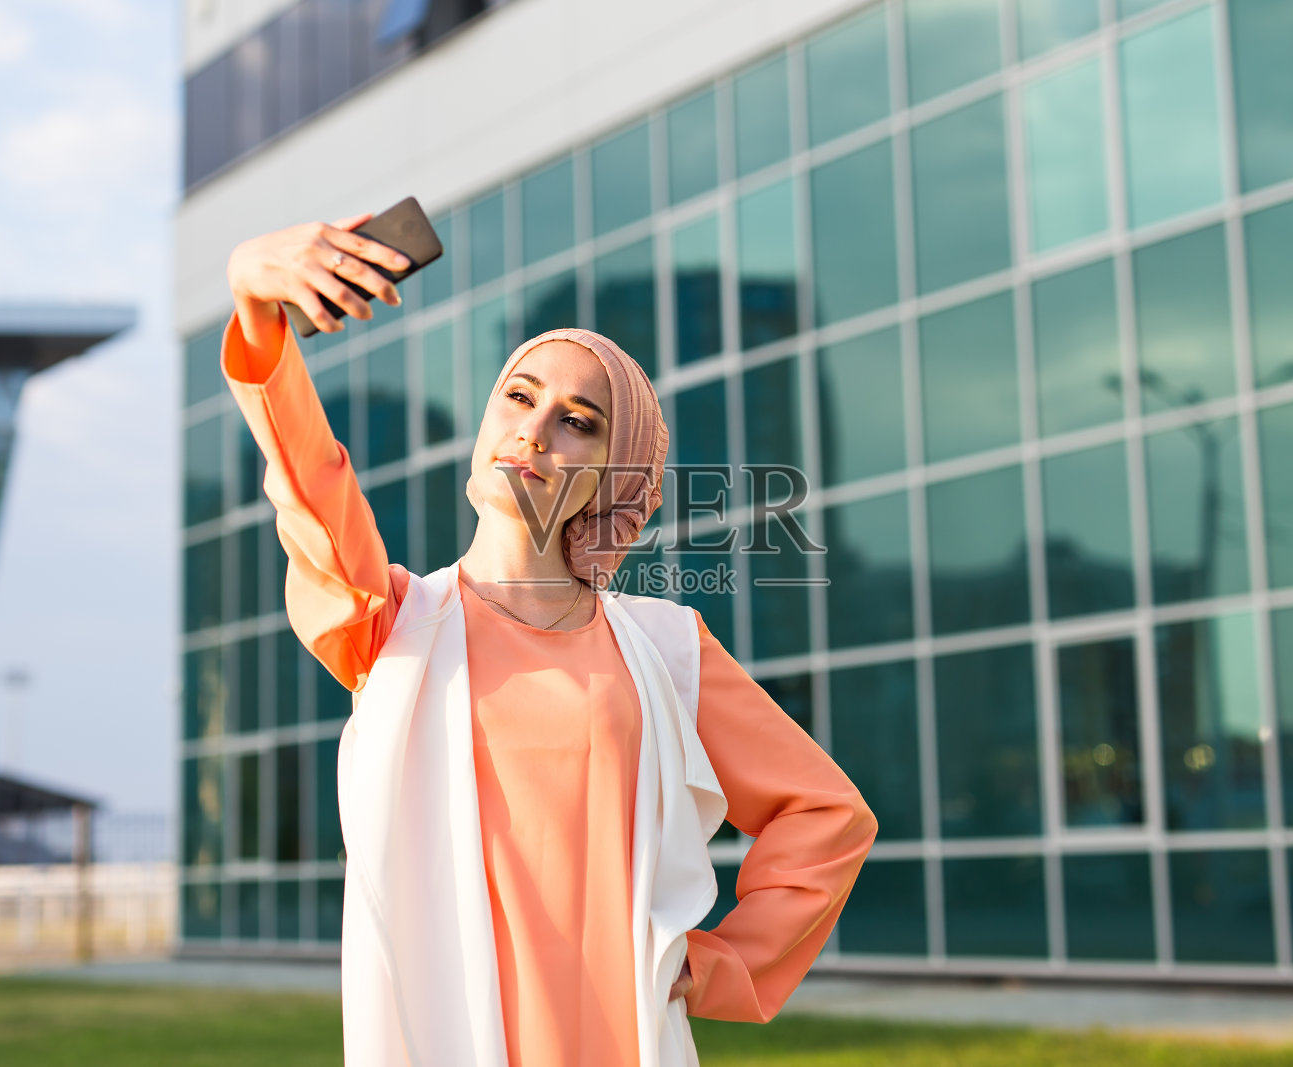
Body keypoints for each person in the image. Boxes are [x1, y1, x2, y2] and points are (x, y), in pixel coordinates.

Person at [222, 211, 878, 1067]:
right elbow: (310, 480)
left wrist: (724, 963)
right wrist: (252, 292)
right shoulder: (391, 625)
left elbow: (825, 815)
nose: (536, 431)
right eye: (521, 397)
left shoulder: (666, 646)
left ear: (613, 474)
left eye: (581, 422)